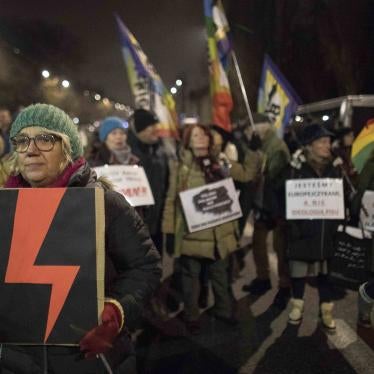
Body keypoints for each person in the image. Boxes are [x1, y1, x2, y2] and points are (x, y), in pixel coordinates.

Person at [1, 103, 161, 373]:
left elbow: (145, 267)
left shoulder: (106, 203)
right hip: (16, 361)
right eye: (22, 140)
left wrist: (115, 312)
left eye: (45, 138)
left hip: (88, 361)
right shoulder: (5, 208)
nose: (31, 149)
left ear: (67, 146)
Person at [162, 124, 261, 334]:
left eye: (204, 135)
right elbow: (171, 200)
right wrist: (169, 231)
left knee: (220, 275)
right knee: (191, 278)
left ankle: (223, 310)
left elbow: (246, 174)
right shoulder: (180, 167)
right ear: (187, 140)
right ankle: (192, 315)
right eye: (195, 135)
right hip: (192, 234)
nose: (201, 138)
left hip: (219, 233)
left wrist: (253, 151)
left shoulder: (220, 161)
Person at [283, 123, 344, 332]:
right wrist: (290, 169)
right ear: (310, 145)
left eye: (329, 141)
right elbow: (283, 192)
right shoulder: (297, 168)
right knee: (299, 269)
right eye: (323, 142)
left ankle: (325, 310)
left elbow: (344, 195)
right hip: (302, 229)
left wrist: (345, 171)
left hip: (325, 230)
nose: (328, 146)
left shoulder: (334, 167)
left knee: (324, 272)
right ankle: (297, 305)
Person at [242, 113, 291, 309]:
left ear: (260, 128)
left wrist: (258, 158)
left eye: (248, 129)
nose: (246, 133)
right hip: (263, 203)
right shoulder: (262, 146)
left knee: (280, 248)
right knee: (258, 242)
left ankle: (285, 286)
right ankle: (263, 278)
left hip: (277, 205)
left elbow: (271, 175)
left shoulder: (277, 147)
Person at [127, 109, 169, 253]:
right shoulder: (127, 154)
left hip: (157, 224)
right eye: (151, 126)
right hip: (134, 227)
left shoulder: (160, 151)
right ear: (140, 129)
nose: (156, 129)